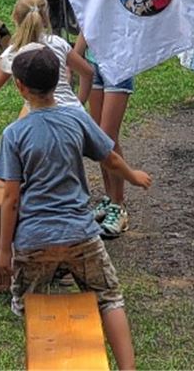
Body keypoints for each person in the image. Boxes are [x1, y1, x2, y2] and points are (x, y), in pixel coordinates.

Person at [0, 46, 152, 370]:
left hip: (34, 240)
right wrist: (133, 177)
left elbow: (10, 198)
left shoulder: (14, 134)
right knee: (109, 299)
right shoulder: (76, 117)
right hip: (81, 234)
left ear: (19, 86)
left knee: (30, 306)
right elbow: (110, 157)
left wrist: (4, 250)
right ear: (62, 78)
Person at [72, 30, 134, 238]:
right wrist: (75, 56)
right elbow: (88, 21)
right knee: (98, 136)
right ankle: (109, 198)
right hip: (94, 60)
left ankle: (119, 206)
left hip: (119, 61)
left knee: (108, 137)